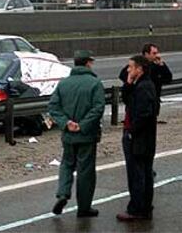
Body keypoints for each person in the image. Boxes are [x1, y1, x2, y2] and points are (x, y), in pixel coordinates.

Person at [49, 50, 105, 218]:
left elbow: (53, 107)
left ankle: (63, 193)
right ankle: (84, 207)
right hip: (86, 134)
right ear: (88, 63)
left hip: (68, 134)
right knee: (85, 171)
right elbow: (98, 108)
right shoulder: (95, 83)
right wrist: (82, 125)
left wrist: (66, 123)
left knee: (66, 164)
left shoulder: (64, 84)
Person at [117, 55, 157, 221]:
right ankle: (144, 207)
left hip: (139, 138)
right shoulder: (140, 85)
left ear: (140, 69)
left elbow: (143, 114)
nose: (128, 70)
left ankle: (137, 208)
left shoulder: (144, 87)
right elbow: (127, 99)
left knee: (137, 174)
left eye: (131, 67)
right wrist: (128, 82)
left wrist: (132, 131)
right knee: (144, 172)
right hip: (144, 137)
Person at [119, 43, 172, 116]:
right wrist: (131, 82)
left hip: (153, 101)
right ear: (146, 54)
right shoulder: (137, 65)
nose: (156, 56)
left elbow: (168, 79)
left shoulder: (158, 66)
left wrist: (162, 65)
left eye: (157, 53)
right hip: (136, 101)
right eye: (154, 53)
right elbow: (123, 75)